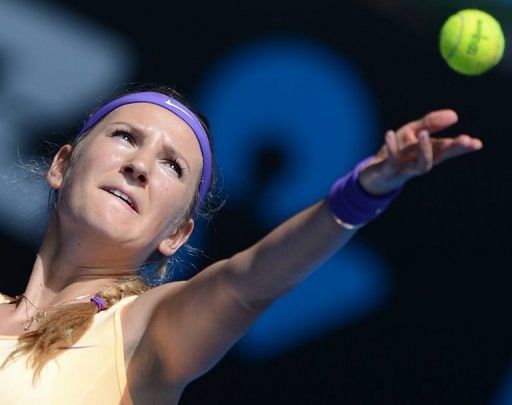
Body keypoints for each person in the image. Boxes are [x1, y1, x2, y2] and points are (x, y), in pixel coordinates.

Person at [0, 84, 482, 404]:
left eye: (172, 166)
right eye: (125, 137)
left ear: (176, 235)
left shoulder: (142, 331)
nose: (140, 166)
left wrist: (364, 191)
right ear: (62, 166)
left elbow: (246, 286)